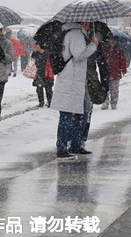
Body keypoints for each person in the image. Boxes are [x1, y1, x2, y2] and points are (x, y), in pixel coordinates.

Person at [52, 20, 99, 158]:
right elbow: (79, 55)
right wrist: (93, 45)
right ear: (83, 22)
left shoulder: (70, 33)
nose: (89, 25)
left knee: (78, 113)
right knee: (68, 115)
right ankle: (63, 147)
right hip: (71, 80)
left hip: (72, 79)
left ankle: (74, 144)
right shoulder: (76, 34)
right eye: (88, 22)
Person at [102, 34, 128, 110]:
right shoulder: (104, 49)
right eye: (110, 40)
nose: (112, 42)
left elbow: (122, 61)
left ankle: (114, 102)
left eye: (113, 40)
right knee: (105, 89)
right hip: (105, 72)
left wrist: (123, 69)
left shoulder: (119, 50)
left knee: (114, 90)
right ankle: (105, 102)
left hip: (115, 73)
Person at [30, 42, 53, 108]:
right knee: (39, 88)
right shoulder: (37, 51)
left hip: (47, 72)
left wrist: (44, 52)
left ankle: (50, 102)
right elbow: (33, 57)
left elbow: (51, 57)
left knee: (48, 88)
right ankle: (41, 102)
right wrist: (35, 51)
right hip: (39, 72)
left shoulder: (48, 48)